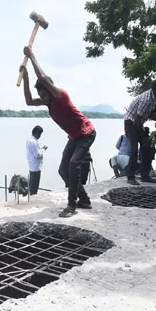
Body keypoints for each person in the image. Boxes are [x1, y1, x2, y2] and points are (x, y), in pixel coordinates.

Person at [19, 46, 96, 218]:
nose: (44, 98)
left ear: (50, 90)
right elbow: (29, 102)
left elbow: (44, 79)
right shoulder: (48, 103)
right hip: (74, 137)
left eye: (45, 95)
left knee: (74, 164)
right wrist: (26, 78)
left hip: (86, 133)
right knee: (63, 170)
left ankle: (72, 205)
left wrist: (31, 56)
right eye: (42, 95)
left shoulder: (61, 95)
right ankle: (84, 199)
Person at [123, 79, 156, 184]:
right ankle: (130, 177)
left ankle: (145, 176)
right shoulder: (146, 99)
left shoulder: (153, 99)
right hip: (131, 123)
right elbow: (137, 119)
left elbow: (150, 114)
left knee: (148, 148)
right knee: (135, 149)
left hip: (137, 123)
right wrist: (143, 137)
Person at [26, 125, 47, 195]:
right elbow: (37, 155)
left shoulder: (30, 140)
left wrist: (40, 150)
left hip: (33, 166)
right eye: (40, 134)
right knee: (34, 187)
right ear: (37, 133)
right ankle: (32, 199)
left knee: (33, 185)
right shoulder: (33, 142)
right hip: (35, 167)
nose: (40, 136)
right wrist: (43, 149)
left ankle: (31, 197)